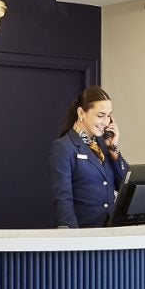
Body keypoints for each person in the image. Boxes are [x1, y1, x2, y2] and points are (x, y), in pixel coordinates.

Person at [49, 86, 128, 228]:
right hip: (84, 230)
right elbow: (63, 199)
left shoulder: (105, 144)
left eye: (109, 116)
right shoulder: (64, 147)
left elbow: (126, 186)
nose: (106, 122)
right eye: (100, 116)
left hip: (111, 229)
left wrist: (113, 150)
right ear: (81, 113)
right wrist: (74, 236)